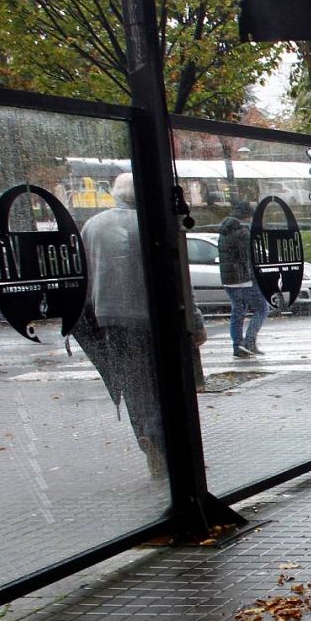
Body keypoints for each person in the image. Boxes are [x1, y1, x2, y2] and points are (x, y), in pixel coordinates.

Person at [76, 173, 207, 477]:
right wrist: (195, 320)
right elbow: (178, 280)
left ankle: (149, 443)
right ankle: (162, 441)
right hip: (154, 318)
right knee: (167, 384)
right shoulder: (152, 226)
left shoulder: (93, 226)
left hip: (110, 318)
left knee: (135, 387)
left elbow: (86, 275)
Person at [219, 199, 268, 357]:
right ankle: (249, 341)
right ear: (247, 216)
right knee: (262, 308)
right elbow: (249, 258)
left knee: (238, 311)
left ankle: (238, 346)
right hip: (244, 279)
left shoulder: (224, 231)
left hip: (228, 280)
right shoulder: (243, 232)